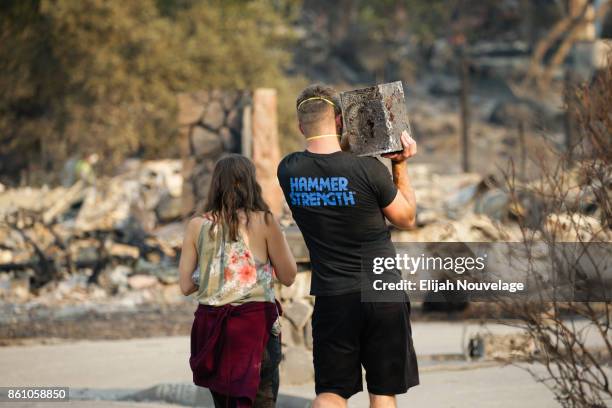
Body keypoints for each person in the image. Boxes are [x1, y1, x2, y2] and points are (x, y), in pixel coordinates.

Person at [277, 84, 419, 408]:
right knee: (383, 392)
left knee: (331, 393)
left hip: (333, 296)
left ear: (301, 127)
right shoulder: (369, 169)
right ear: (340, 122)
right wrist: (399, 164)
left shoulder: (288, 170)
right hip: (382, 294)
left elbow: (328, 161)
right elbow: (406, 218)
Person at [179, 154, 297, 408]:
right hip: (256, 330)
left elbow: (186, 285)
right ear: (251, 183)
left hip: (212, 331)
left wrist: (217, 274)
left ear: (215, 185)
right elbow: (288, 276)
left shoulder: (196, 226)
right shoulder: (264, 221)